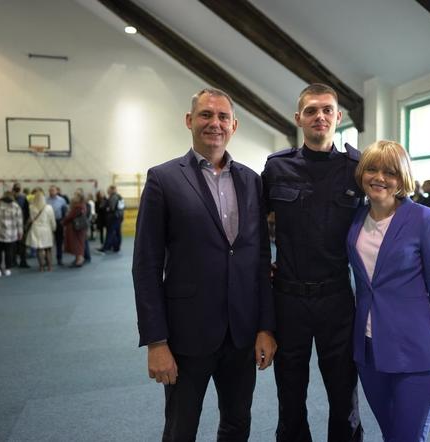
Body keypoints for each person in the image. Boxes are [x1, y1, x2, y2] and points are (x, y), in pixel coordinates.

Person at [132, 88, 276, 441]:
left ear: (234, 125)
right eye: (206, 115)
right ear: (189, 120)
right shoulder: (163, 179)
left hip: (241, 334)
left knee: (237, 423)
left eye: (223, 117)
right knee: (181, 429)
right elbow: (146, 265)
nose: (215, 123)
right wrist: (156, 341)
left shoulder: (251, 180)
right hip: (186, 335)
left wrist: (265, 327)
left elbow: (259, 259)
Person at [262, 83, 364, 442]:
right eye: (311, 111)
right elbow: (251, 231)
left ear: (338, 117)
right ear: (298, 119)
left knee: (343, 396)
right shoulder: (277, 168)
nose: (319, 116)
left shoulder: (357, 168)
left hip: (337, 298)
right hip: (288, 300)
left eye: (326, 110)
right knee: (290, 396)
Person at [347, 140, 430, 441]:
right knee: (391, 434)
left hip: (416, 354)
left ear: (402, 178)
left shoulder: (424, 219)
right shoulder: (356, 219)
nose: (379, 178)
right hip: (369, 352)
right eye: (371, 169)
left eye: (389, 172)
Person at [0, 190, 23, 277]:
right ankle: (7, 269)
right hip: (11, 234)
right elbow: (19, 220)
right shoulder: (16, 206)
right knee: (9, 252)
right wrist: (20, 232)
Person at [25, 189, 56, 272]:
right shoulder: (49, 207)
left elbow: (31, 218)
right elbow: (52, 220)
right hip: (46, 229)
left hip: (36, 229)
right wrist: (54, 228)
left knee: (39, 249)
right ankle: (50, 267)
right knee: (48, 249)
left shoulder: (31, 207)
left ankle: (41, 267)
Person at [62, 192, 87, 268]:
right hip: (78, 228)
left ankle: (79, 260)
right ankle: (77, 259)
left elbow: (70, 216)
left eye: (75, 196)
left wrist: (63, 222)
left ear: (79, 198)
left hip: (76, 228)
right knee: (77, 243)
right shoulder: (82, 205)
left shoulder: (78, 207)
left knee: (77, 244)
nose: (73, 197)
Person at [97, 185, 124, 253]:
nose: (107, 191)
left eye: (108, 190)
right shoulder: (119, 196)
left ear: (112, 190)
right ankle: (116, 247)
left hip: (114, 217)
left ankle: (105, 248)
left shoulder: (113, 197)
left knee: (110, 232)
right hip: (119, 216)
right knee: (117, 233)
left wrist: (107, 208)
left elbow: (111, 208)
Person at [47, 185, 68, 266]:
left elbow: (65, 211)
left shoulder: (62, 200)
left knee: (59, 241)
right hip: (48, 223)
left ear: (57, 191)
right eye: (50, 190)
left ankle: (59, 258)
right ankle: (47, 260)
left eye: (53, 190)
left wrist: (64, 222)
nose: (51, 192)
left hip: (58, 222)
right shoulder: (46, 200)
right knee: (48, 242)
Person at [12, 183, 30, 268]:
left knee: (15, 244)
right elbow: (27, 212)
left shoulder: (11, 198)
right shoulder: (23, 198)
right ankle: (22, 261)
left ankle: (15, 262)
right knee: (21, 244)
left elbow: (27, 212)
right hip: (20, 224)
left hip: (14, 225)